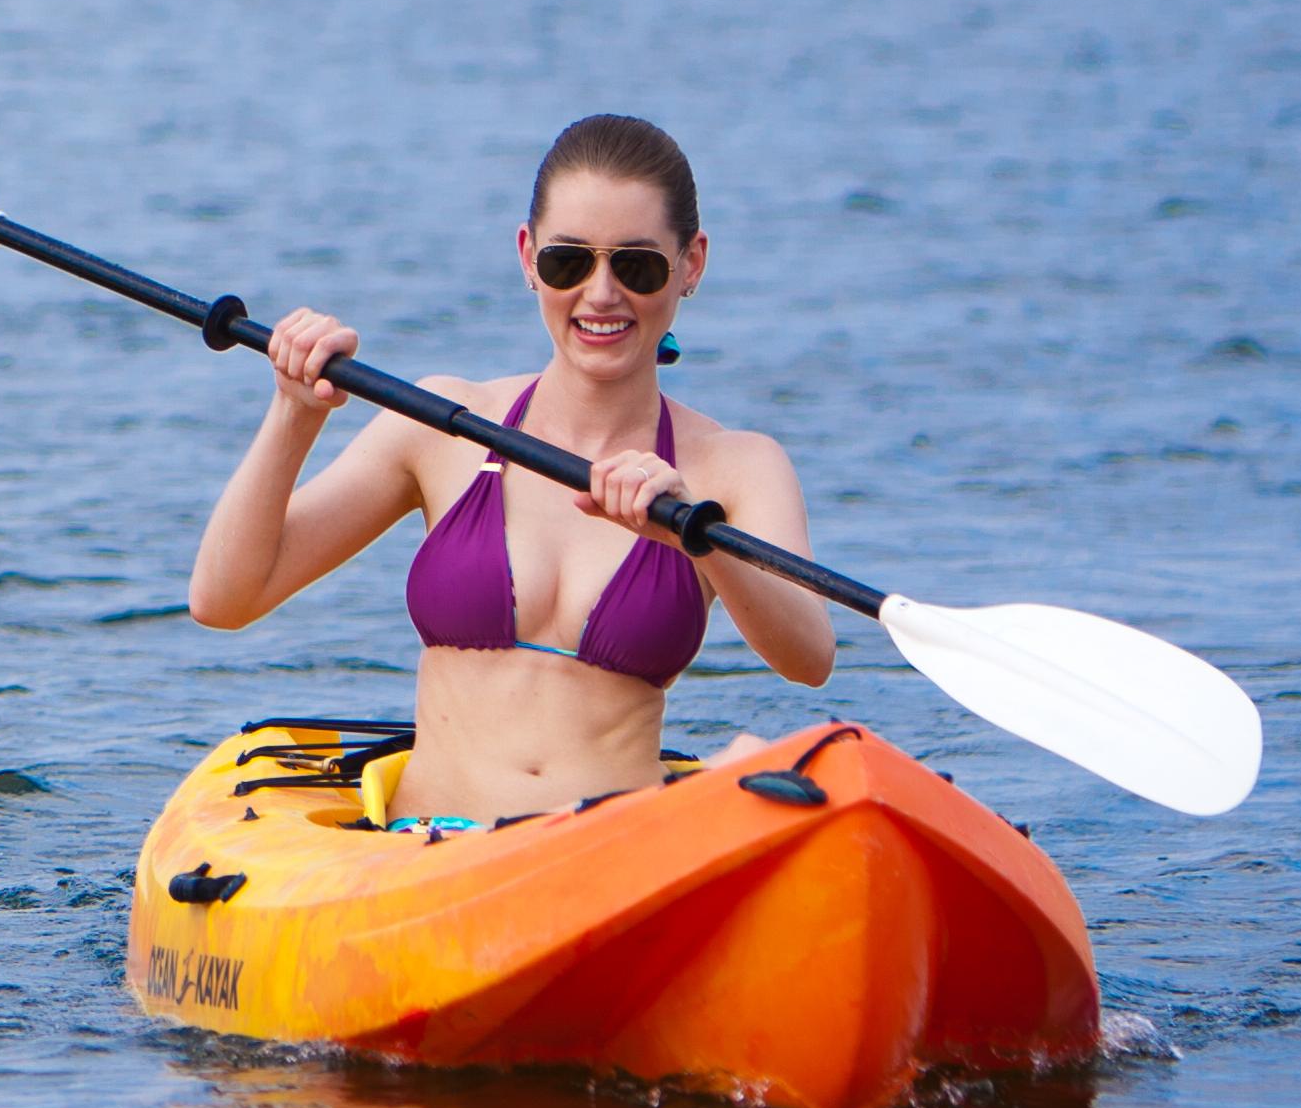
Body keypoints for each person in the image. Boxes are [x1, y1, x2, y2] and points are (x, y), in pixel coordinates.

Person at [184, 112, 830, 823]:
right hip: (427, 854)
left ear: (692, 263)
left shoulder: (736, 467)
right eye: (569, 261)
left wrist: (693, 536)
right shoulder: (440, 422)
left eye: (637, 264)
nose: (602, 293)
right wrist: (293, 415)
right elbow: (225, 599)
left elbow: (809, 658)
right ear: (528, 256)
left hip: (605, 854)